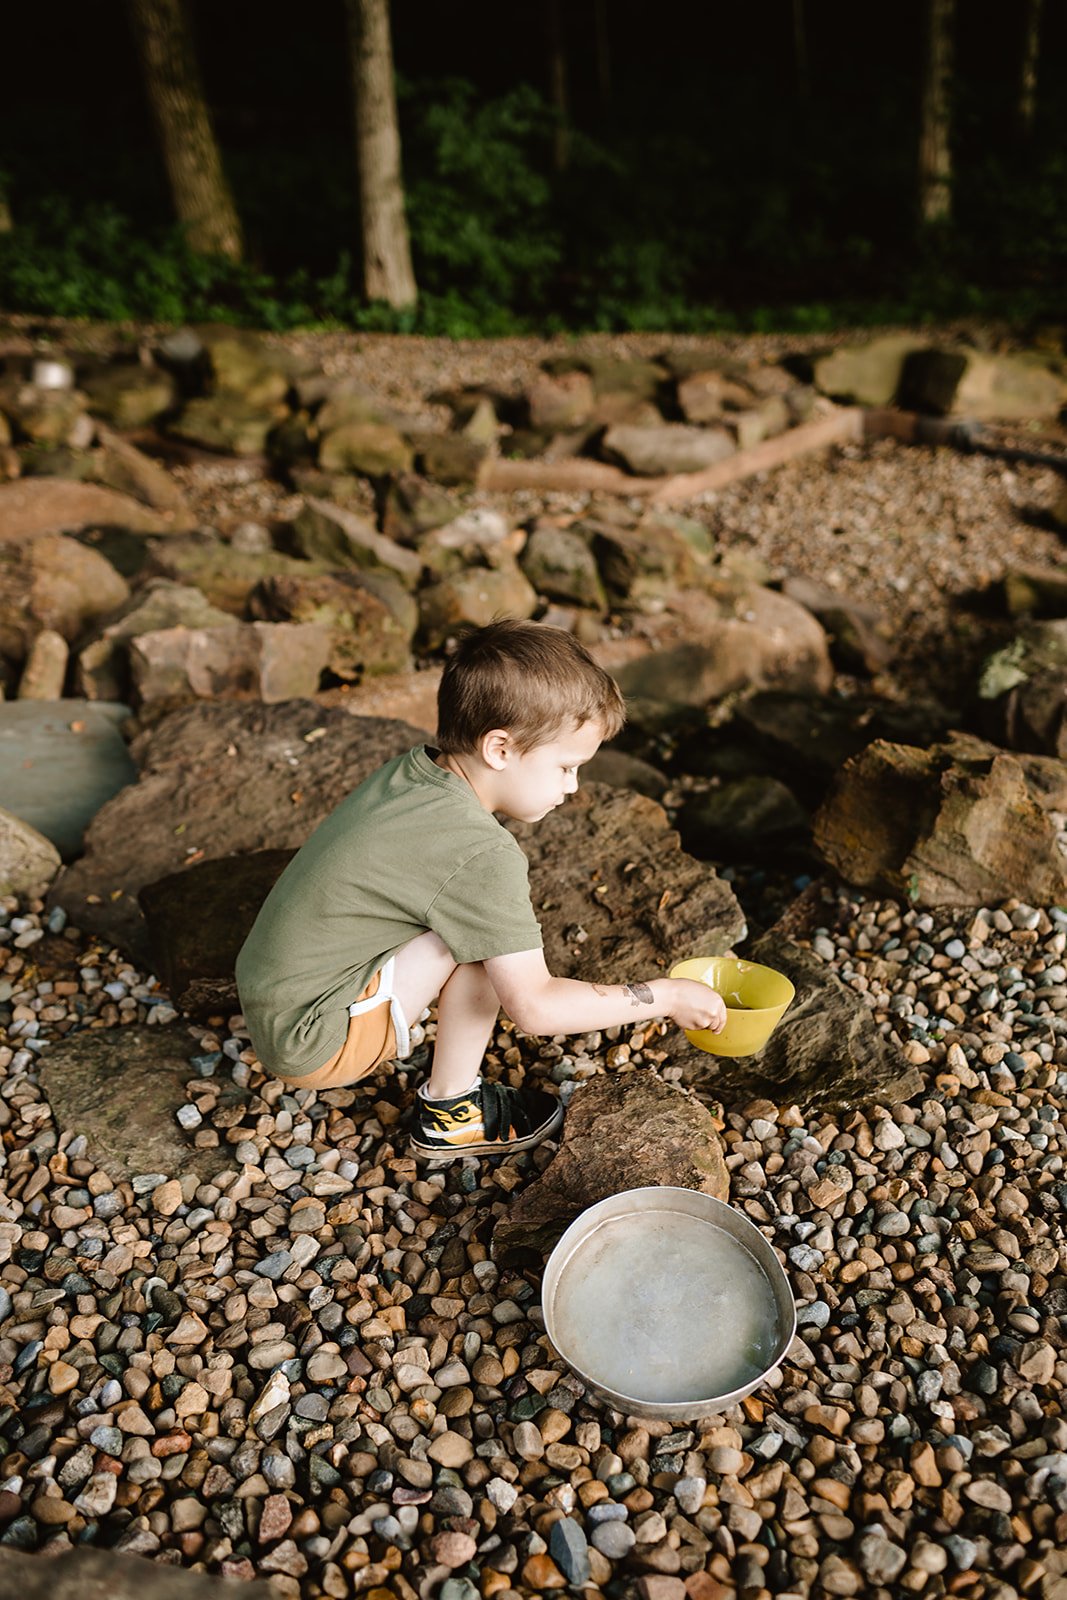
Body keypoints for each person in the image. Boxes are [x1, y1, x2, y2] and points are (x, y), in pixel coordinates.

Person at [235, 618, 727, 1160]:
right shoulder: (481, 857)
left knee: (474, 924)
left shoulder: (413, 773)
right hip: (313, 1039)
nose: (573, 786)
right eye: (566, 766)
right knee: (480, 944)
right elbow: (536, 1009)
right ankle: (453, 1114)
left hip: (273, 993)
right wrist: (669, 995)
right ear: (499, 748)